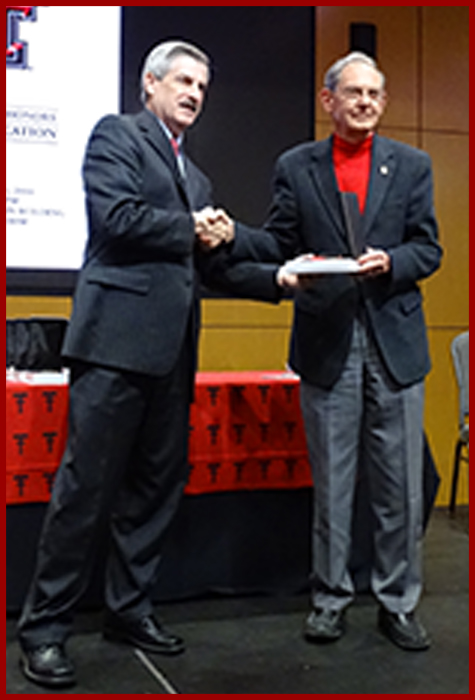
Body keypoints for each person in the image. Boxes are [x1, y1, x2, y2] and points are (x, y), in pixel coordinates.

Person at [16, 40, 284, 689]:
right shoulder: (116, 137)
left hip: (172, 355)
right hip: (113, 344)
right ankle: (45, 630)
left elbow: (214, 264)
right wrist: (194, 227)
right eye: (183, 80)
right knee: (85, 491)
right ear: (150, 85)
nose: (194, 92)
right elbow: (117, 218)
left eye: (202, 85)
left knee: (154, 490)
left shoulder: (197, 180)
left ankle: (128, 610)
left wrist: (281, 278)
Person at [220, 51, 443, 651]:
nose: (366, 102)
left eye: (375, 93)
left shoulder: (413, 165)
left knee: (401, 486)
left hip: (394, 341)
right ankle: (330, 599)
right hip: (327, 341)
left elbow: (430, 248)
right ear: (329, 101)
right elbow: (280, 240)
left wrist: (394, 262)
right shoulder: (297, 165)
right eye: (354, 93)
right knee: (334, 484)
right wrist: (239, 239)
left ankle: (398, 603)